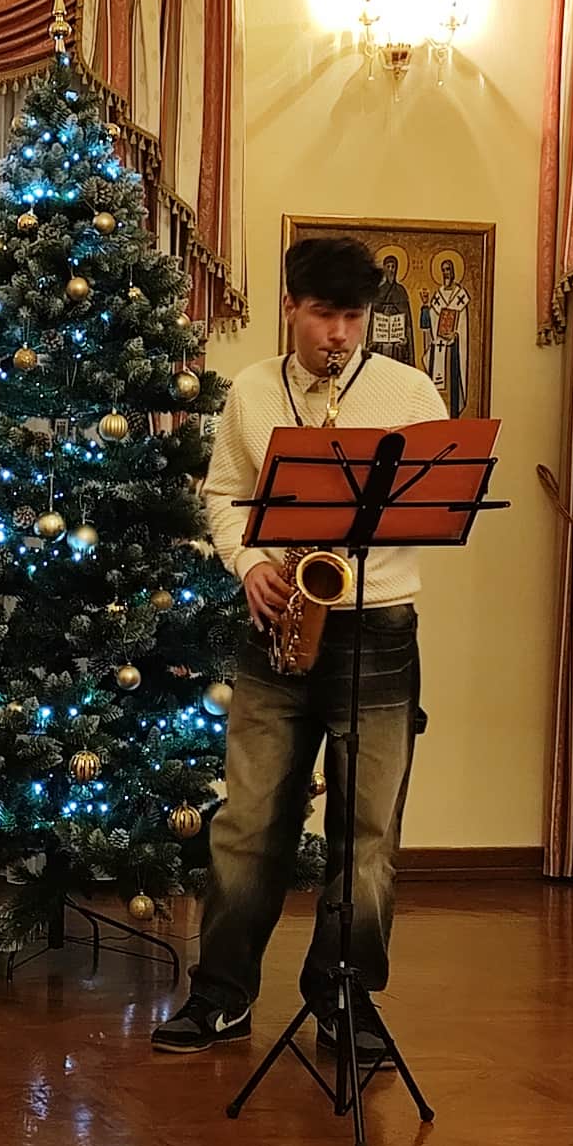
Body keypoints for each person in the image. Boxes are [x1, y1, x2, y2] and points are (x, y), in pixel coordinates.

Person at [152, 235, 446, 1062]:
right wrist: (250, 563)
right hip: (275, 623)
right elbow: (224, 496)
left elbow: (434, 504)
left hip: (378, 627)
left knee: (369, 833)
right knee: (248, 822)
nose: (339, 335)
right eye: (323, 315)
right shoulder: (253, 389)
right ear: (290, 307)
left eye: (353, 317)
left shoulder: (410, 393)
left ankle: (345, 999)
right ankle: (222, 996)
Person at [420, 257, 470, 416]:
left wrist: (455, 335)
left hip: (452, 350)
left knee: (451, 387)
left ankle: (452, 417)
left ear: (453, 272)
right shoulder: (438, 295)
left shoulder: (460, 296)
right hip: (438, 351)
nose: (446, 273)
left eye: (448, 269)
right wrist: (425, 305)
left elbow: (463, 325)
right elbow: (430, 322)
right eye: (443, 270)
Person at [367, 251, 415, 367]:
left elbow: (407, 320)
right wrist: (372, 339)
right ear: (384, 269)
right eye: (388, 266)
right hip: (381, 340)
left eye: (393, 267)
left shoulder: (401, 291)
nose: (391, 270)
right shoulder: (379, 291)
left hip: (397, 342)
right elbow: (374, 319)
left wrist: (406, 339)